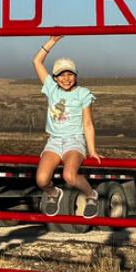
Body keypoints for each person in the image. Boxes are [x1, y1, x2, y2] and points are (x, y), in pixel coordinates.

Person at [32, 34, 101, 218]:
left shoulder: (83, 94)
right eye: (61, 75)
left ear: (75, 76)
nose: (66, 78)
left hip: (74, 141)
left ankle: (91, 195)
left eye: (70, 74)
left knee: (69, 176)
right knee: (41, 180)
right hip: (54, 141)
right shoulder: (51, 89)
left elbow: (87, 123)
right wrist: (52, 42)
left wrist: (92, 150)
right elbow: (37, 61)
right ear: (55, 78)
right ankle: (54, 193)